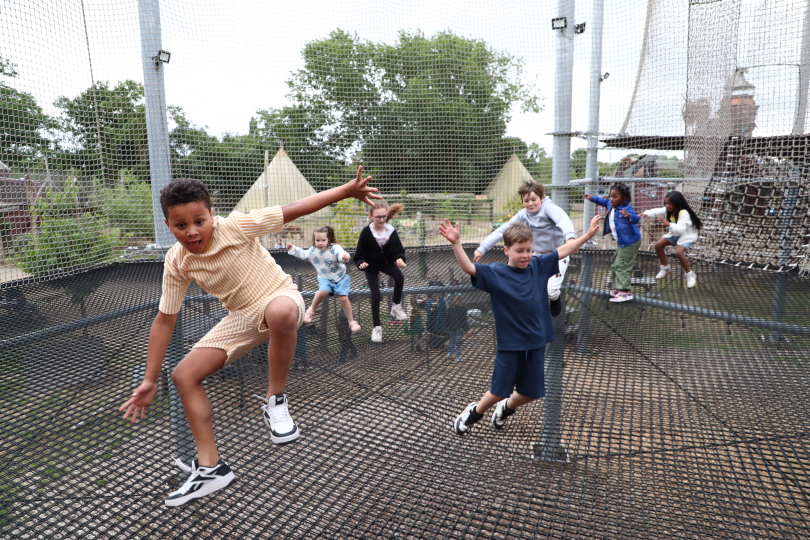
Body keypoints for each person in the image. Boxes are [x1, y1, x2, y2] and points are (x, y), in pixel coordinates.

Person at [119, 167, 379, 507]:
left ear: (212, 215)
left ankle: (275, 402)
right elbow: (165, 320)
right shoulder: (177, 260)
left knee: (280, 313)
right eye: (181, 225)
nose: (192, 231)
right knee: (183, 375)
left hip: (280, 297)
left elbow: (296, 208)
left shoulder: (237, 226)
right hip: (241, 317)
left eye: (199, 221)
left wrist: (346, 191)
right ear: (169, 227)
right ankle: (211, 467)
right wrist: (150, 379)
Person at [440, 215, 602, 435]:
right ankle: (473, 413)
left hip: (536, 341)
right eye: (519, 250)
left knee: (531, 392)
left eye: (528, 249)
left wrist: (588, 235)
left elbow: (564, 250)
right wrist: (456, 243)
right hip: (511, 343)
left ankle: (506, 408)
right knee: (498, 391)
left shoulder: (538, 265)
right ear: (507, 250)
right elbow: (469, 268)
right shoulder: (497, 273)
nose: (525, 255)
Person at [473, 181, 577, 317]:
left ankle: (555, 299)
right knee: (532, 287)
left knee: (550, 292)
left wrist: (570, 238)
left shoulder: (549, 209)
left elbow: (563, 220)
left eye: (534, 199)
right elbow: (503, 230)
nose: (530, 203)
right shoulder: (523, 215)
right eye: (526, 200)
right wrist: (482, 248)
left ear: (541, 198)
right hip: (537, 255)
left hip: (557, 253)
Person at [287, 225, 360, 332]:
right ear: (314, 240)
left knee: (343, 298)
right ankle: (311, 310)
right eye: (317, 240)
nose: (320, 243)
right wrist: (292, 248)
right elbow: (303, 254)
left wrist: (344, 257)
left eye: (323, 240)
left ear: (328, 239)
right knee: (323, 291)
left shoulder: (334, 248)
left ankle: (351, 322)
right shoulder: (313, 251)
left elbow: (340, 254)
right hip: (324, 278)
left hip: (340, 277)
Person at [353, 200, 408, 343]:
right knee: (376, 294)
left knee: (399, 277)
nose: (381, 219)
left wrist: (400, 259)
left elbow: (398, 250)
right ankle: (377, 327)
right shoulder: (366, 232)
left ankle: (396, 306)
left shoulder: (390, 230)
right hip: (371, 265)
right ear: (371, 217)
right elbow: (359, 254)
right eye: (378, 217)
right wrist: (361, 263)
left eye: (384, 216)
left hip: (386, 262)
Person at [584, 183, 642, 303]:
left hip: (630, 241)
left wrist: (628, 216)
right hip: (622, 242)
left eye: (615, 197)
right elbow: (601, 201)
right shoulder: (610, 204)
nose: (611, 199)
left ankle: (625, 292)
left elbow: (636, 218)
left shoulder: (626, 209)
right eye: (611, 196)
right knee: (615, 263)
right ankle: (617, 288)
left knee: (622, 265)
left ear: (624, 198)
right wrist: (591, 198)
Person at [642, 191, 703, 288]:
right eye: (666, 203)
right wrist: (647, 214)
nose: (667, 206)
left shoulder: (684, 213)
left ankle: (690, 274)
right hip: (675, 234)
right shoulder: (667, 210)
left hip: (687, 236)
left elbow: (680, 230)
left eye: (670, 203)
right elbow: (656, 211)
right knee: (658, 245)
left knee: (678, 253)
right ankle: (665, 268)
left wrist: (668, 224)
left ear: (677, 203)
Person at [445, 294, 469, 361]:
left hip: (451, 327)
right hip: (459, 327)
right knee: (458, 342)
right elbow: (464, 319)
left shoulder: (450, 308)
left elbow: (447, 319)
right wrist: (466, 329)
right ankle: (458, 356)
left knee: (452, 341)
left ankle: (449, 353)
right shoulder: (463, 309)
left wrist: (447, 327)